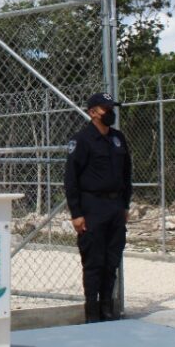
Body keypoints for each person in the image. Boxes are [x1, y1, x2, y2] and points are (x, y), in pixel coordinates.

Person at [64, 92, 132, 323]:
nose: (110, 113)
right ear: (93, 112)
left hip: (115, 207)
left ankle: (107, 308)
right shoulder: (82, 140)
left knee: (111, 261)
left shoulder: (118, 139)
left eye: (112, 108)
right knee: (94, 262)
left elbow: (126, 174)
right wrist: (77, 213)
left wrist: (125, 205)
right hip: (92, 206)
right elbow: (71, 179)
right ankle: (92, 312)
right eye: (106, 109)